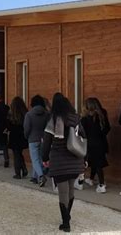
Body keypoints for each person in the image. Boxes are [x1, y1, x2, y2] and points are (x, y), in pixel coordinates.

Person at [42, 93, 85, 233]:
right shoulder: (76, 119)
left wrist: (44, 158)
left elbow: (47, 141)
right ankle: (67, 217)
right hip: (75, 158)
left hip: (59, 159)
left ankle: (66, 222)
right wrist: (85, 158)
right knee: (71, 188)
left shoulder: (53, 120)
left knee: (62, 191)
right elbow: (83, 137)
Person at [81, 98, 110, 193]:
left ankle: (102, 184)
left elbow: (82, 132)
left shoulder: (85, 118)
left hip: (90, 144)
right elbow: (107, 128)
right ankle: (91, 179)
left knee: (97, 164)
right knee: (96, 162)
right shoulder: (102, 115)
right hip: (101, 142)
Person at [24, 95, 50, 186]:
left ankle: (41, 175)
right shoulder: (47, 114)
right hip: (43, 138)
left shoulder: (29, 114)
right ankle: (35, 177)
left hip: (32, 139)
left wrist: (26, 136)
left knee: (35, 160)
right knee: (40, 158)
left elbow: (27, 128)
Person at [7, 96, 29, 179]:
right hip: (22, 135)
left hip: (14, 136)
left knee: (16, 154)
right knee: (19, 153)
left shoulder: (11, 114)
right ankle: (23, 168)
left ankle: (18, 173)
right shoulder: (25, 113)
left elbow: (8, 126)